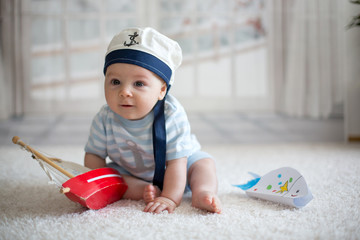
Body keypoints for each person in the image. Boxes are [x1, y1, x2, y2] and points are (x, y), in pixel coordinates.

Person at [84, 27, 221, 214]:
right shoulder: (104, 118)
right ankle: (143, 190)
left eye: (139, 84)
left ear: (162, 90)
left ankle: (203, 192)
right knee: (113, 176)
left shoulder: (171, 115)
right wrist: (97, 185)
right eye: (115, 82)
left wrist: (170, 197)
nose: (124, 91)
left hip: (179, 169)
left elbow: (176, 163)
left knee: (203, 164)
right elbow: (94, 156)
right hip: (130, 171)